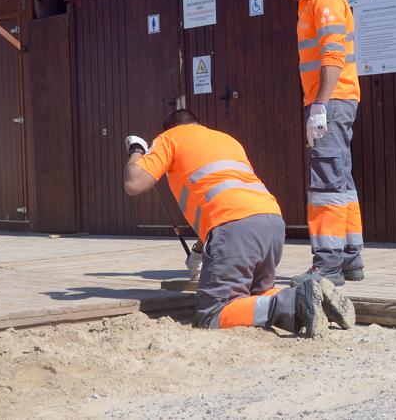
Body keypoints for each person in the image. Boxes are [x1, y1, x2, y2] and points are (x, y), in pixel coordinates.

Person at [122, 108, 354, 336]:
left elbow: (134, 183)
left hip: (233, 228)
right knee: (254, 296)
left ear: (170, 128)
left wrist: (137, 149)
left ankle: (294, 302)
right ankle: (315, 298)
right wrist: (198, 251)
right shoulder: (227, 140)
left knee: (211, 314)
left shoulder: (170, 138)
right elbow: (224, 197)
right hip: (270, 221)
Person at [267, 0, 365, 287]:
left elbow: (332, 58)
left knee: (325, 183)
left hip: (331, 101)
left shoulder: (324, 1)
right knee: (341, 182)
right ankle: (350, 260)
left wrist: (320, 107)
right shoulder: (309, 3)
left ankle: (327, 265)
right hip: (332, 100)